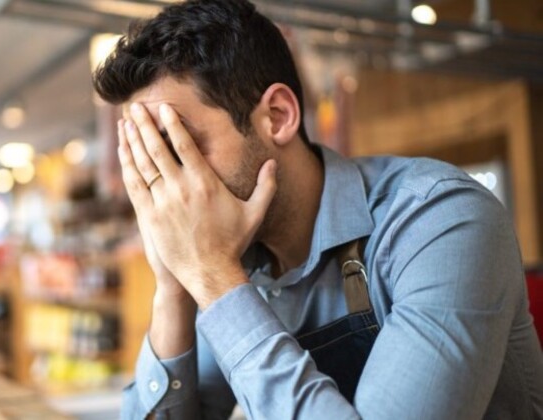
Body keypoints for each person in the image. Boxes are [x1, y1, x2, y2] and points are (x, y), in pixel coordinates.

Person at [92, 0, 543, 418]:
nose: (169, 186)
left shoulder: (440, 219)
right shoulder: (234, 256)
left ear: (278, 116)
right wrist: (172, 286)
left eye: (181, 146)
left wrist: (213, 277)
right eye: (150, 159)